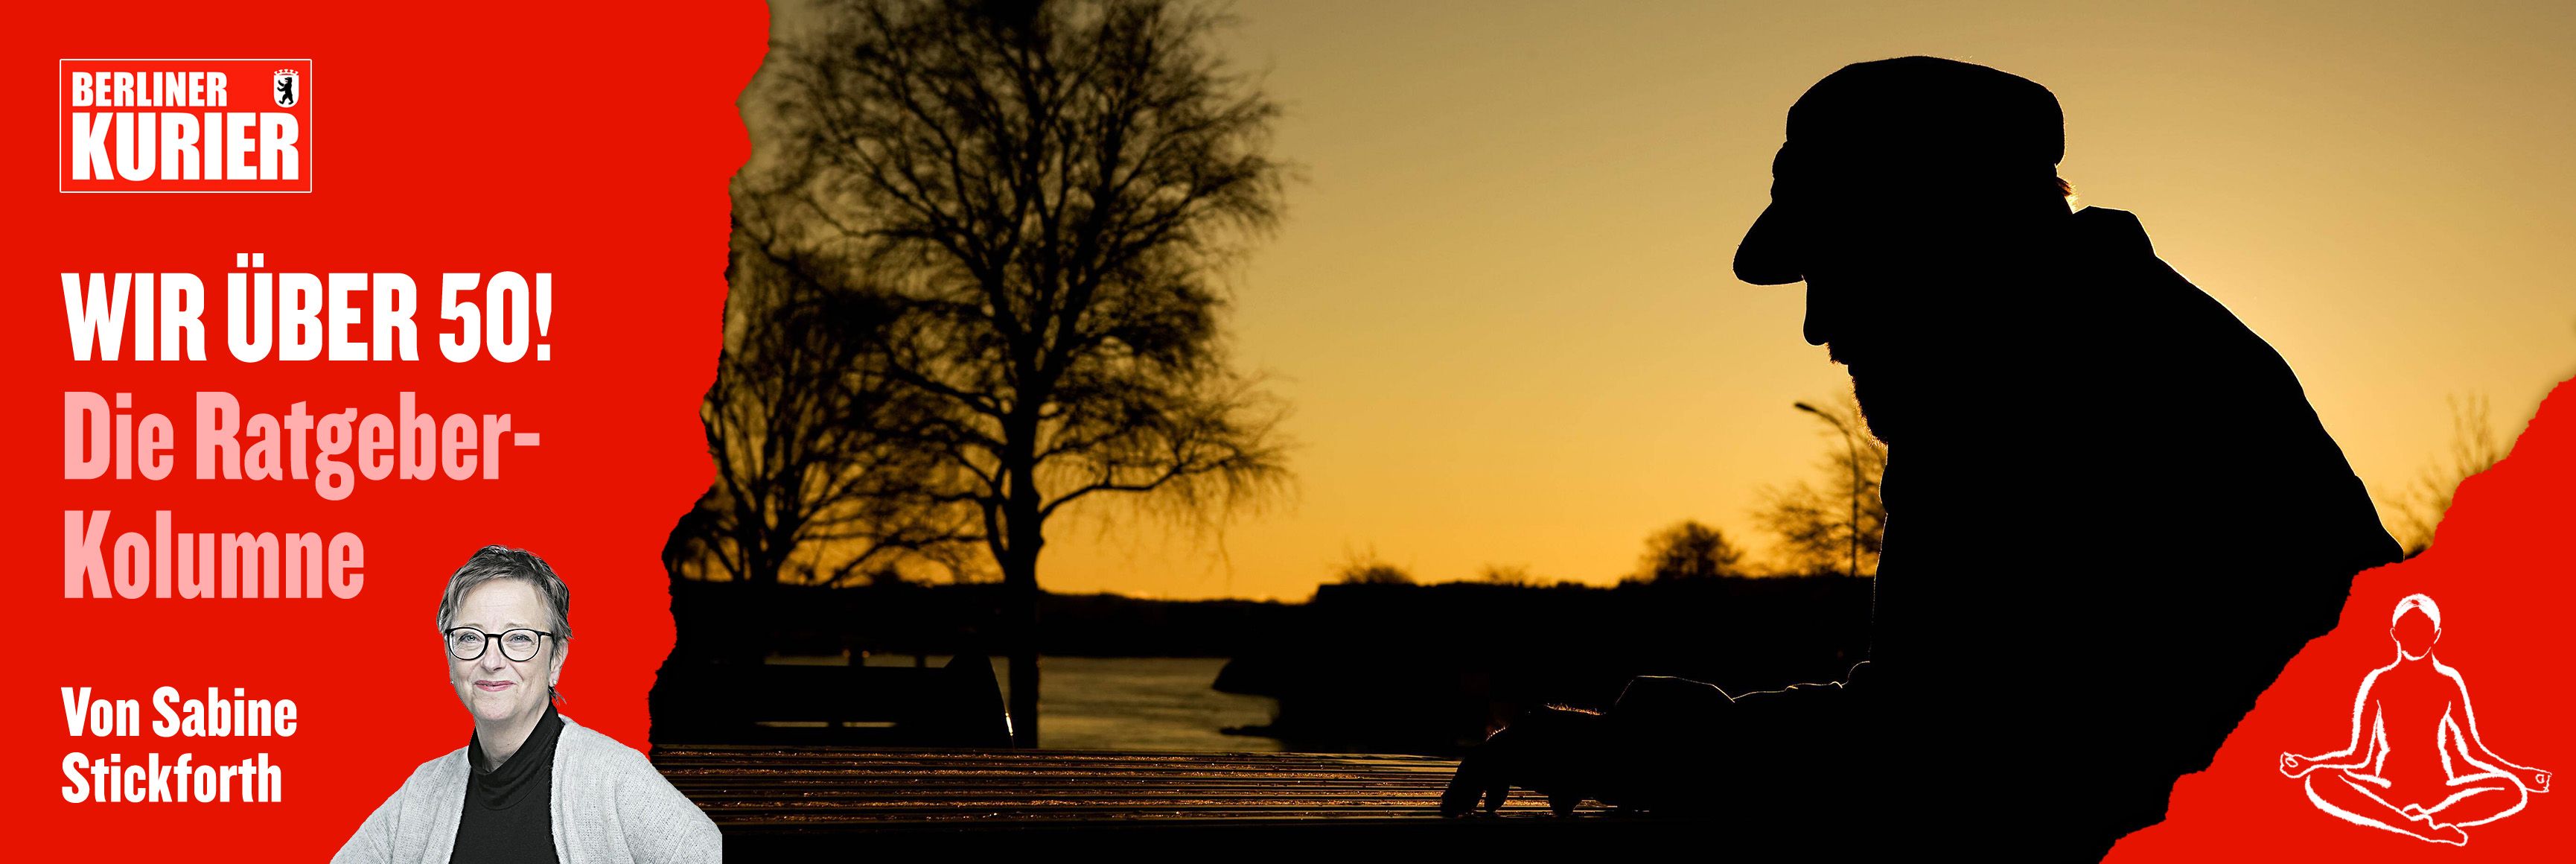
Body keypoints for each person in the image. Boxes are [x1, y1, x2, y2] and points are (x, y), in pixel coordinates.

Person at [1449, 56, 2403, 860]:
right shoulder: (2088, 345)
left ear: (1934, 239)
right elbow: (1953, 716)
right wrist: (1691, 736)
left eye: (1838, 266)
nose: (1818, 323)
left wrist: (1658, 749)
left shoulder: (2038, 397)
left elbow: (1947, 758)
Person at [335, 546, 721, 863]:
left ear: (556, 659)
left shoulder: (615, 777)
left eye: (519, 638)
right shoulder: (423, 791)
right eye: (470, 637)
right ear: (450, 656)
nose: (491, 661)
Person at [2280, 594, 2551, 845]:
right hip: (2388, 789)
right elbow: (2359, 755)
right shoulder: (2379, 681)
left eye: (2423, 629)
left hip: (2440, 791)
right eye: (2408, 630)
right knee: (2319, 780)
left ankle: (2423, 822)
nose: (2415, 637)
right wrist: (2309, 764)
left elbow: (2472, 751)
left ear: (2436, 634)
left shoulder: (2448, 682)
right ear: (2395, 633)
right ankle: (2417, 828)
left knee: (2512, 790)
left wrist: (2521, 775)